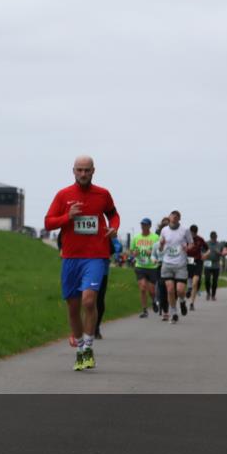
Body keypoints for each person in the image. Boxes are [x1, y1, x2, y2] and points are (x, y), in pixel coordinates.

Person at [44, 156, 120, 371]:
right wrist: (67, 216)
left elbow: (113, 215)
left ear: (93, 171)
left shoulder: (103, 194)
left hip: (96, 256)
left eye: (87, 170)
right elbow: (48, 223)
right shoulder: (63, 195)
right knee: (73, 306)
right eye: (79, 170)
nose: (83, 174)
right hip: (70, 258)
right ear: (73, 171)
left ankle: (88, 346)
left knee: (89, 300)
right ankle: (79, 350)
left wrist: (114, 228)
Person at [158, 210, 193, 324]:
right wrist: (161, 245)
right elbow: (160, 248)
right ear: (169, 217)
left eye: (177, 216)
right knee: (170, 290)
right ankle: (173, 313)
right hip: (167, 264)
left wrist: (187, 248)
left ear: (179, 219)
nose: (174, 217)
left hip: (180, 264)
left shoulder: (185, 230)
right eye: (172, 215)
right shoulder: (164, 230)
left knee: (180, 290)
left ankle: (182, 301)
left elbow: (191, 243)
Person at [131, 218, 161, 318]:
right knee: (143, 288)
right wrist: (134, 253)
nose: (143, 226)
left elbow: (160, 251)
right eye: (142, 225)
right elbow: (132, 251)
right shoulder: (136, 237)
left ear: (149, 226)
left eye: (145, 225)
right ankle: (144, 310)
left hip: (152, 267)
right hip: (140, 266)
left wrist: (152, 253)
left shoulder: (156, 237)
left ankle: (154, 301)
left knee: (152, 291)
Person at [185, 224, 207, 312]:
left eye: (194, 233)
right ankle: (189, 289)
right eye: (191, 233)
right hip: (188, 261)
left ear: (196, 232)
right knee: (189, 279)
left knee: (195, 282)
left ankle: (192, 303)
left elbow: (208, 249)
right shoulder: (186, 239)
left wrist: (205, 255)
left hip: (198, 262)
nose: (193, 235)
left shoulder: (200, 239)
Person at [203, 231, 224, 300]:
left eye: (215, 237)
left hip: (216, 264)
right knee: (207, 280)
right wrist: (205, 255)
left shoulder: (219, 244)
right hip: (207, 263)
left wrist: (219, 253)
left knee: (215, 281)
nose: (214, 239)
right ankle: (208, 293)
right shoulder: (206, 243)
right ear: (210, 237)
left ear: (216, 237)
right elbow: (202, 251)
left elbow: (223, 254)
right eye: (212, 238)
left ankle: (213, 295)